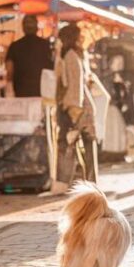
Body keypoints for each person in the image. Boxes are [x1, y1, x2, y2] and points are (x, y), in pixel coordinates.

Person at [53, 23, 97, 192]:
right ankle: (90, 183)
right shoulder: (76, 55)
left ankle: (63, 183)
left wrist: (73, 109)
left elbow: (75, 85)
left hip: (76, 107)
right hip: (81, 106)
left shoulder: (71, 56)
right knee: (86, 146)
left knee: (67, 144)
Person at [5, 15, 53, 97]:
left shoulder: (14, 46)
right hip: (42, 91)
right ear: (36, 27)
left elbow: (9, 70)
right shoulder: (46, 45)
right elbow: (51, 69)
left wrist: (9, 90)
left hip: (21, 92)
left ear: (23, 28)